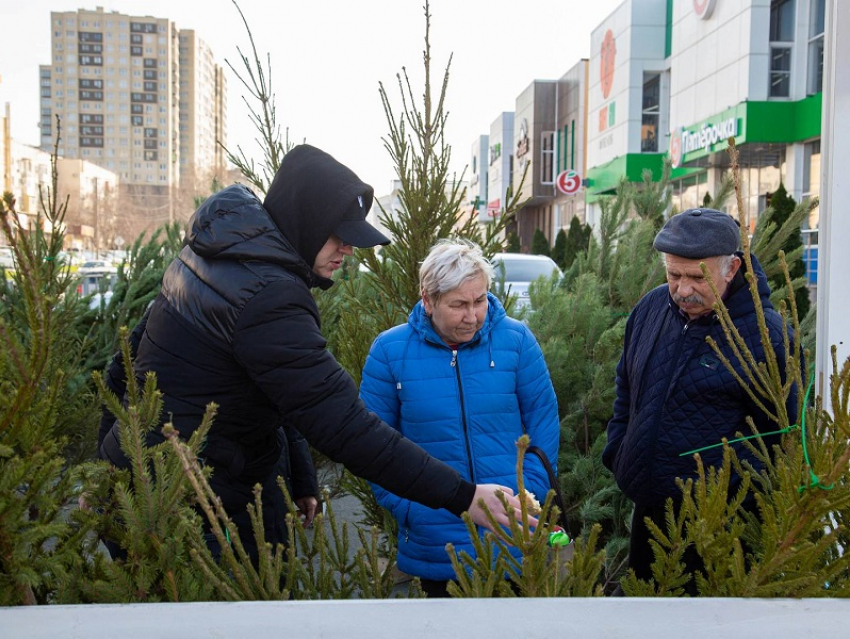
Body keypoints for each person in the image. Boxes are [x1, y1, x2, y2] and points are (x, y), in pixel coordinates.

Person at [97, 144, 530, 563]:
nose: (348, 248)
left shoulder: (215, 254)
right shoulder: (269, 294)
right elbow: (341, 422)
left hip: (154, 482)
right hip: (194, 511)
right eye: (339, 236)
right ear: (305, 220)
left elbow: (131, 366)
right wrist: (464, 496)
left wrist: (110, 461)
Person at [602, 207, 800, 592]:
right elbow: (626, 384)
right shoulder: (652, 308)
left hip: (720, 530)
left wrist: (725, 500)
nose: (682, 289)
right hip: (648, 511)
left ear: (732, 268)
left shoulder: (767, 336)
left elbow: (782, 439)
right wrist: (619, 451)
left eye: (697, 277)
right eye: (673, 274)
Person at [360, 239, 560, 597]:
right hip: (434, 539)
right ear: (428, 300)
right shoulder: (390, 352)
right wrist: (411, 509)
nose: (473, 316)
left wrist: (526, 496)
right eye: (458, 305)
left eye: (479, 300)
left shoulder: (516, 341)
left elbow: (543, 423)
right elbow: (372, 444)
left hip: (512, 532)